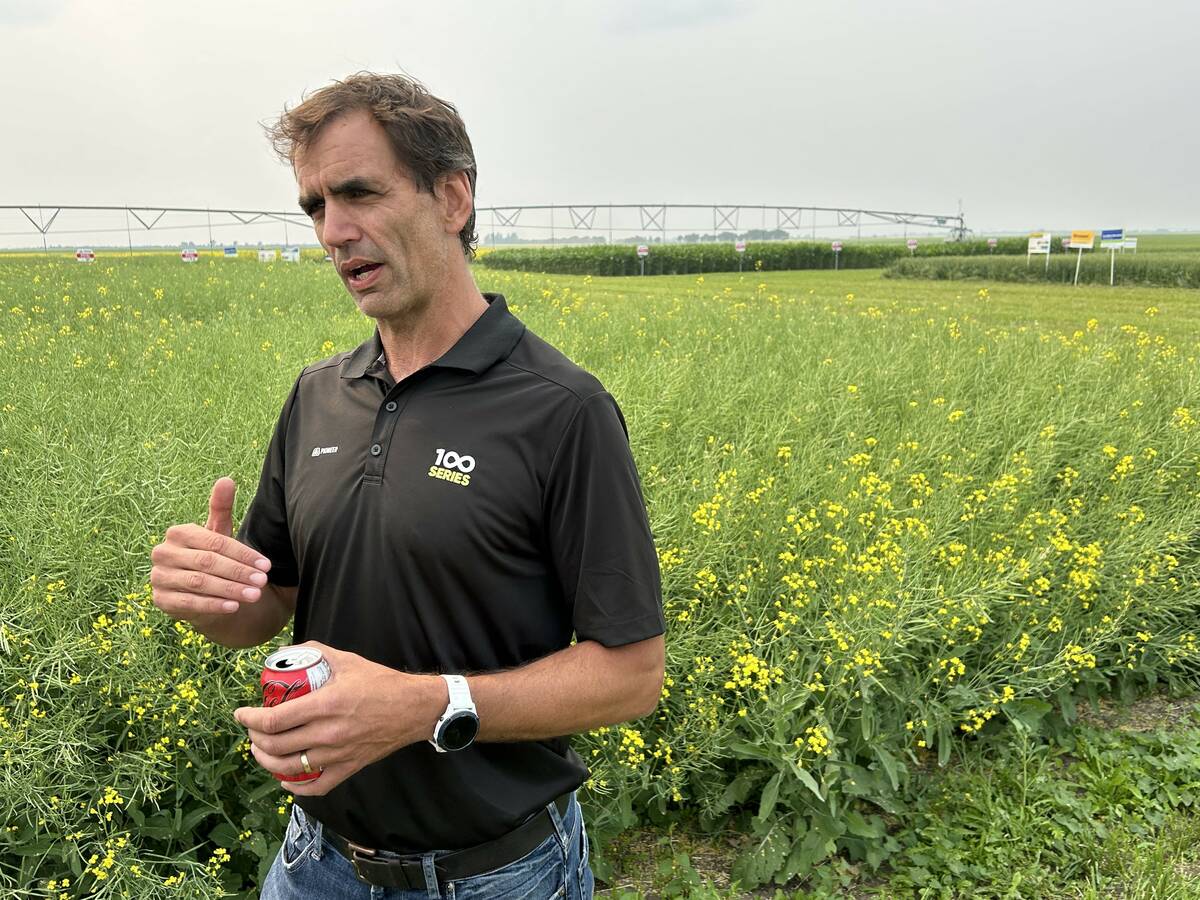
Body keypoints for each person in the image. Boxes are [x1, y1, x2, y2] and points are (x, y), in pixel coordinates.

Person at [149, 72, 665, 899]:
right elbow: (267, 604)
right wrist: (213, 597)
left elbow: (633, 673)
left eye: (358, 192)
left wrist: (426, 705)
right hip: (315, 862)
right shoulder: (319, 393)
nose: (333, 231)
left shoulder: (562, 409)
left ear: (452, 196)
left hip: (494, 875)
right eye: (315, 205)